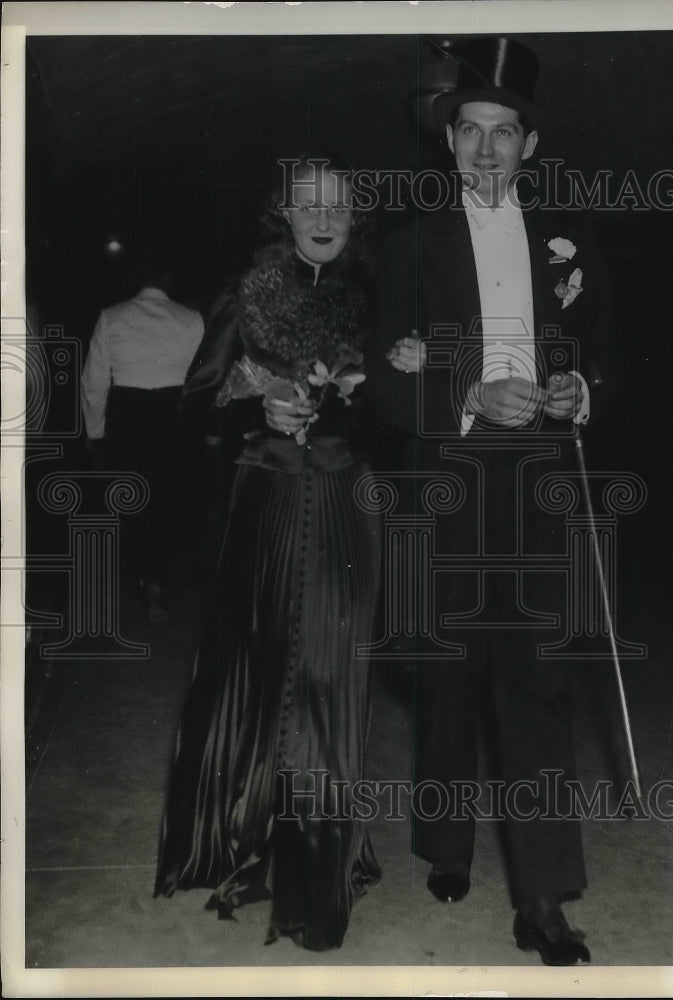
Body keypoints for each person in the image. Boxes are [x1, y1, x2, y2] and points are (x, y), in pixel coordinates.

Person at [365, 37, 619, 965]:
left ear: (530, 147)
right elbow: (381, 385)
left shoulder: (571, 242)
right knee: (448, 679)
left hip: (540, 486)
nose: (484, 150)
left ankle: (544, 898)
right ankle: (444, 838)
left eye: (503, 132)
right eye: (468, 130)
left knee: (536, 686)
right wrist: (467, 393)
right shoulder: (407, 244)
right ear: (449, 143)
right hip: (445, 487)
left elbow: (609, 356)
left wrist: (577, 390)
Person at [154, 155, 411, 952]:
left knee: (331, 674)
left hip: (344, 500)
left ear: (355, 216)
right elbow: (197, 394)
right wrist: (256, 396)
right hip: (264, 496)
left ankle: (318, 869)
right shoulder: (246, 290)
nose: (323, 217)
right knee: (260, 669)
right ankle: (240, 834)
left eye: (338, 203)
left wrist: (398, 375)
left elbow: (403, 416)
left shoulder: (378, 297)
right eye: (308, 204)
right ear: (285, 213)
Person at [80, 258, 204, 622]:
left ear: (136, 278)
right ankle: (156, 582)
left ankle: (144, 577)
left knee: (135, 500)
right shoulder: (191, 319)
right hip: (172, 415)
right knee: (167, 499)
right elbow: (203, 381)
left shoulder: (111, 316)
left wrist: (95, 433)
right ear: (167, 277)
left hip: (129, 416)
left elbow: (94, 381)